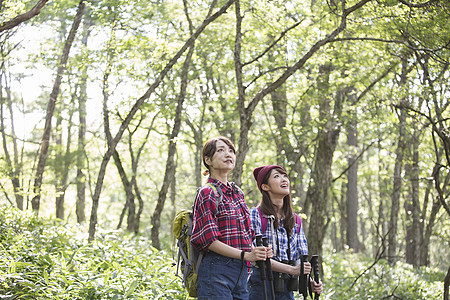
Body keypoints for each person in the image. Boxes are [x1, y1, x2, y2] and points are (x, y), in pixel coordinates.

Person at [191, 137, 271, 300]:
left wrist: (257, 252)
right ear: (208, 160)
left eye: (231, 151)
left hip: (241, 274)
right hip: (216, 272)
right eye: (220, 150)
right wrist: (246, 255)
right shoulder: (207, 192)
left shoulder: (237, 193)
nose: (228, 154)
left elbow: (247, 234)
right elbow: (208, 241)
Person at [248, 165, 323, 300]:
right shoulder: (255, 215)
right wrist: (292, 270)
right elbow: (256, 258)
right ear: (265, 187)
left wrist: (309, 282)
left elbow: (300, 259)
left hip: (286, 287)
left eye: (284, 176)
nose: (284, 179)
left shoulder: (295, 221)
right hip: (260, 285)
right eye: (276, 176)